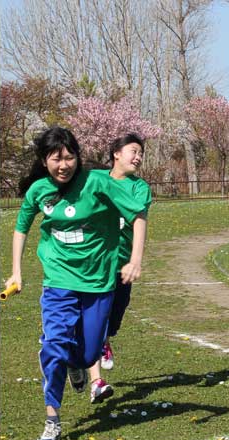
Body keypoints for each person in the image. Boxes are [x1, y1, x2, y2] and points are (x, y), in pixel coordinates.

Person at [5, 127, 149, 440]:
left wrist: (135, 258)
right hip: (58, 282)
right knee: (54, 346)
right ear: (44, 161)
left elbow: (138, 215)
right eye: (56, 158)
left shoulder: (97, 182)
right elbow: (20, 227)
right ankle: (52, 420)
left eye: (70, 157)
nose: (64, 164)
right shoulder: (39, 191)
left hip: (99, 283)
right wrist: (16, 272)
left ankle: (78, 364)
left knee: (86, 355)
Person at [87, 134, 151, 399]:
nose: (137, 157)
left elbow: (138, 218)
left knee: (114, 317)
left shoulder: (139, 188)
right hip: (94, 263)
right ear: (116, 153)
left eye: (140, 153)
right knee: (94, 321)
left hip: (123, 265)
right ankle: (96, 382)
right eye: (133, 151)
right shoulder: (94, 179)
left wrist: (135, 260)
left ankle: (104, 340)